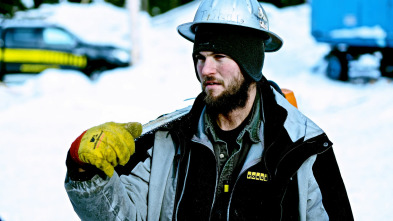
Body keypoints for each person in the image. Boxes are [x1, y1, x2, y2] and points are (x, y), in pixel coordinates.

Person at [65, 0, 354, 220]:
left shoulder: (304, 148)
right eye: (200, 57)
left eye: (220, 56)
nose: (206, 69)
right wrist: (84, 171)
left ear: (250, 63)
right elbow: (122, 215)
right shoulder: (166, 141)